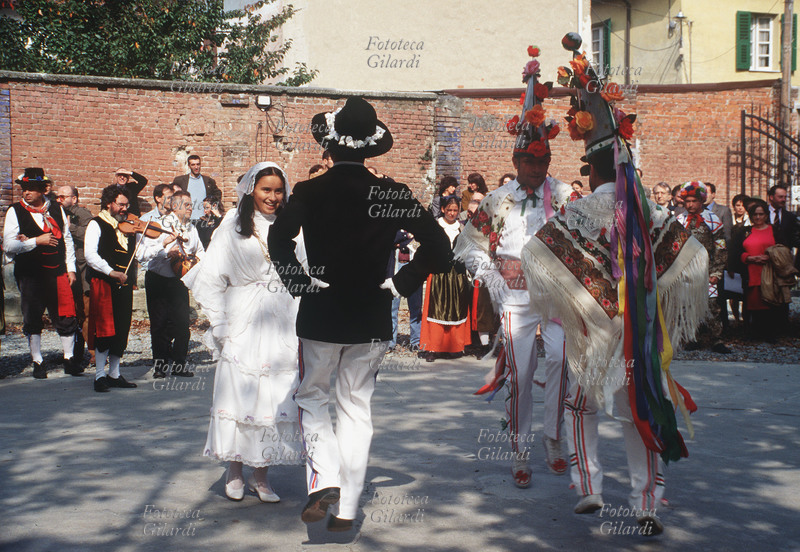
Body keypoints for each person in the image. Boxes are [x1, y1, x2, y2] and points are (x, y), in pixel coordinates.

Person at [522, 38, 709, 535]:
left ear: (592, 166)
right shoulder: (649, 210)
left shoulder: (579, 211)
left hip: (592, 329)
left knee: (580, 407)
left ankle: (589, 486)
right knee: (639, 408)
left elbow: (537, 255)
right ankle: (647, 501)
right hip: (641, 329)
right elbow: (693, 257)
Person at [268, 97, 451, 532]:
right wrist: (401, 283)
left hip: (322, 310)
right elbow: (441, 248)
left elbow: (277, 241)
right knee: (356, 407)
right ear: (370, 147)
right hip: (371, 312)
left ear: (330, 147)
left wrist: (299, 281)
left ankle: (325, 479)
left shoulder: (311, 191)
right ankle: (348, 505)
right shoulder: (391, 192)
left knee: (312, 396)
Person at [454, 46, 572, 487]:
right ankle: (521, 449)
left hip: (557, 293)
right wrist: (488, 276)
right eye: (528, 160)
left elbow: (586, 241)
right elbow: (470, 244)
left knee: (561, 359)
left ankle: (554, 438)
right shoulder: (497, 198)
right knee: (521, 371)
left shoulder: (564, 197)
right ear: (516, 160)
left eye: (542, 160)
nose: (536, 167)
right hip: (514, 294)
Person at [183, 161, 304, 503]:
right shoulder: (232, 226)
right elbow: (211, 277)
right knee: (241, 394)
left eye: (278, 190)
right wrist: (220, 323)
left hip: (282, 317)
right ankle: (235, 471)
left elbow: (305, 269)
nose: (273, 196)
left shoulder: (293, 227)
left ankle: (262, 475)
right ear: (252, 190)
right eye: (266, 189)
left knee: (276, 395)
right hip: (242, 318)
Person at [3, 168, 79, 378]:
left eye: (31, 188)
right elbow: (9, 245)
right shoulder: (15, 211)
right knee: (33, 315)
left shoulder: (56, 208)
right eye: (24, 188)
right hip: (31, 273)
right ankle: (38, 361)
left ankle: (69, 358)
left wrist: (70, 268)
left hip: (57, 271)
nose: (26, 192)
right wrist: (36, 241)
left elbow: (67, 239)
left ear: (43, 189)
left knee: (64, 314)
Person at [137, 190, 205, 378]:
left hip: (179, 281)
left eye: (191, 204)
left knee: (182, 324)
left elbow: (200, 250)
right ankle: (159, 365)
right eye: (187, 205)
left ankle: (179, 364)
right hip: (158, 279)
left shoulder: (191, 228)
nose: (191, 208)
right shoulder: (159, 226)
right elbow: (141, 254)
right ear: (175, 206)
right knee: (159, 324)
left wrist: (194, 261)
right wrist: (166, 252)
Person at [85, 185, 138, 392]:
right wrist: (110, 271)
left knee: (122, 328)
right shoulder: (96, 224)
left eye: (127, 204)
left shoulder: (129, 228)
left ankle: (114, 374)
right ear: (109, 204)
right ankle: (99, 376)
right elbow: (90, 255)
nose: (125, 208)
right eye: (121, 204)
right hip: (104, 283)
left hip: (123, 285)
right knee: (104, 329)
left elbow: (136, 256)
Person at [676, 182, 730, 354]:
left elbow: (720, 247)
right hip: (686, 272)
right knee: (688, 305)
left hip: (707, 271)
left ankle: (717, 339)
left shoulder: (712, 219)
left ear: (701, 201)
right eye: (687, 201)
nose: (690, 205)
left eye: (694, 201)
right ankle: (692, 338)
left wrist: (716, 271)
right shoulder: (679, 220)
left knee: (713, 305)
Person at [419, 196, 471, 362]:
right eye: (449, 210)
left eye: (455, 210)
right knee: (436, 310)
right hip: (438, 274)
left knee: (456, 309)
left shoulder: (462, 229)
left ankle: (453, 346)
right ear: (442, 209)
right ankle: (433, 347)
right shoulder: (434, 227)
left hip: (456, 275)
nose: (452, 213)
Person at [728, 199, 781, 341]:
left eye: (761, 214)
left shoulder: (774, 230)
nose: (758, 217)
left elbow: (782, 249)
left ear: (766, 215)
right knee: (750, 302)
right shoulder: (744, 231)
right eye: (755, 215)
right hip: (750, 271)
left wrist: (769, 257)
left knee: (769, 302)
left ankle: (769, 333)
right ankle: (751, 333)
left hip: (769, 271)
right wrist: (748, 258)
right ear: (751, 216)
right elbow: (735, 251)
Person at [56, 184, 93, 369]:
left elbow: (90, 234)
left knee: (86, 314)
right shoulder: (57, 213)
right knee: (72, 314)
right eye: (58, 197)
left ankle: (93, 353)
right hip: (68, 271)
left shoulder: (82, 214)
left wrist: (69, 228)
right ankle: (75, 354)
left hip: (82, 272)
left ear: (74, 198)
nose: (59, 200)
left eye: (64, 197)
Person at [171, 155, 222, 221]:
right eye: (193, 165)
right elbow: (171, 193)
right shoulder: (180, 180)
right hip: (186, 218)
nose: (196, 167)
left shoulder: (208, 181)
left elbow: (218, 194)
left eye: (198, 164)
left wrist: (212, 207)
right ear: (189, 166)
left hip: (204, 219)